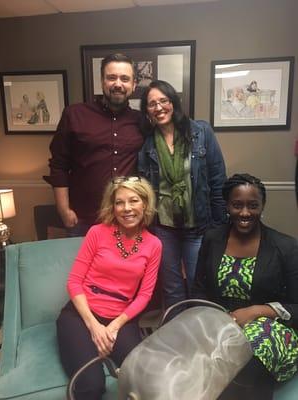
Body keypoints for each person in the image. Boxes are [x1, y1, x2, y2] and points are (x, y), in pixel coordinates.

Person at [193, 173, 298, 399]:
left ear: (262, 206)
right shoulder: (212, 239)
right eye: (237, 205)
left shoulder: (285, 247)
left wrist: (257, 311)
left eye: (253, 205)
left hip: (271, 326)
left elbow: (297, 305)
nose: (244, 213)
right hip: (220, 324)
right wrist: (213, 320)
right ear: (227, 206)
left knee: (246, 367)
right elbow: (199, 289)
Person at [57, 176, 162, 400]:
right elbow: (74, 282)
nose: (127, 209)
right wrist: (95, 328)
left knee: (142, 377)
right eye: (119, 202)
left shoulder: (154, 244)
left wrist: (113, 327)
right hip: (81, 315)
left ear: (145, 203)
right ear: (112, 207)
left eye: (133, 201)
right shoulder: (97, 232)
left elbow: (144, 295)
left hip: (121, 319)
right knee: (91, 386)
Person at [138, 80, 227, 312]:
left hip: (198, 225)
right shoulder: (147, 144)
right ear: (146, 110)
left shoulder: (201, 132)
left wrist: (218, 225)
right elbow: (144, 188)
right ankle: (177, 334)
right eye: (151, 104)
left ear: (173, 102)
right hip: (164, 227)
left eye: (163, 101)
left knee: (199, 285)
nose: (158, 107)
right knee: (172, 287)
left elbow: (218, 180)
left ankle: (200, 334)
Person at [44, 53, 143, 236]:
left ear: (134, 84)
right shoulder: (74, 115)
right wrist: (63, 209)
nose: (118, 84)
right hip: (83, 219)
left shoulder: (141, 121)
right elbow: (58, 165)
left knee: (124, 266)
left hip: (128, 218)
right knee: (83, 266)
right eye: (111, 77)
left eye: (125, 79)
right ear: (102, 81)